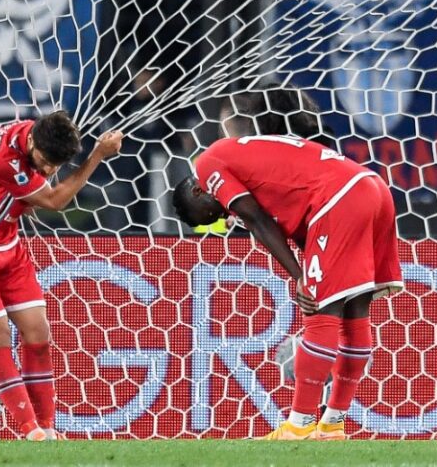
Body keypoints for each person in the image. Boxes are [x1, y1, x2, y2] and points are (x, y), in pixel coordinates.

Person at [171, 87, 403, 441]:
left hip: (341, 198)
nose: (221, 220)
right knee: (355, 311)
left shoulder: (208, 163)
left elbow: (257, 221)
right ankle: (332, 424)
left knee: (320, 311)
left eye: (210, 218)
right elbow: (271, 215)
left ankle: (298, 424)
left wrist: (298, 277)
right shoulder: (264, 166)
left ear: (200, 192)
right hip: (372, 188)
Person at [0, 113, 124, 439]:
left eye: (55, 165)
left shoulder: (34, 133)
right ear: (32, 142)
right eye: (46, 162)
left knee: (37, 332)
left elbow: (26, 186)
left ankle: (47, 429)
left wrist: (19, 200)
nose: (49, 171)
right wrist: (97, 156)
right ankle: (29, 428)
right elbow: (55, 200)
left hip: (5, 242)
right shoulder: (3, 162)